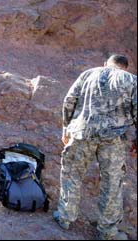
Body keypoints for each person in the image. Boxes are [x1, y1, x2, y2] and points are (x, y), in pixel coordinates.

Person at [53, 54, 137, 240]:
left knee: (72, 174)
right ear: (125, 68)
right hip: (113, 139)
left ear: (105, 64)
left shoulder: (88, 74)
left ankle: (65, 217)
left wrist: (66, 129)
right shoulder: (131, 80)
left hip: (82, 133)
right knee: (112, 183)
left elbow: (69, 100)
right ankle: (106, 232)